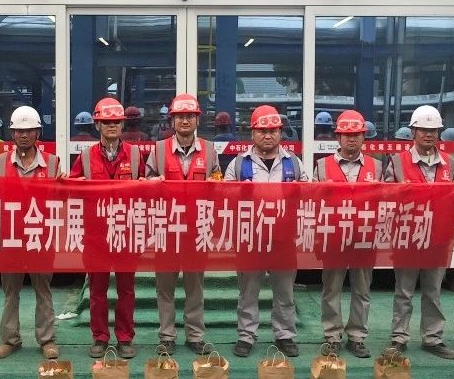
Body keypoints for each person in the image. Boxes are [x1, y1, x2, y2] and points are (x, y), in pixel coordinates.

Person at [383, 105, 454, 359]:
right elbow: (386, 195)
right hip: (407, 237)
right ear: (413, 132)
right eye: (423, 130)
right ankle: (399, 337)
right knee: (404, 291)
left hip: (438, 238)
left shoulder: (450, 163)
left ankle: (433, 338)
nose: (428, 134)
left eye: (433, 130)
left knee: (433, 290)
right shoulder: (398, 162)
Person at [224, 105, 307, 357]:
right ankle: (246, 336)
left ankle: (285, 335)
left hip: (284, 238)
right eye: (262, 131)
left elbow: (307, 195)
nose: (268, 136)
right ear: (252, 133)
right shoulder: (239, 164)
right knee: (248, 292)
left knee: (285, 291)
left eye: (273, 131)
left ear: (281, 133)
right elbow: (224, 199)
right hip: (251, 238)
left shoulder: (294, 162)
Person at [146, 93, 221, 355]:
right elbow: (145, 184)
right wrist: (152, 183)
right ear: (172, 121)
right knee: (164, 287)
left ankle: (195, 335)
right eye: (180, 117)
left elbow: (218, 183)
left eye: (190, 116)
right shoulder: (158, 150)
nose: (185, 121)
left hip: (197, 229)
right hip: (166, 229)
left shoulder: (209, 150)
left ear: (197, 120)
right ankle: (167, 336)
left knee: (195, 286)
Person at [71, 98, 143, 359]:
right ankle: (100, 337)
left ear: (122, 125)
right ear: (97, 125)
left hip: (126, 232)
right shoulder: (85, 157)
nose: (112, 126)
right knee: (97, 290)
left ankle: (125, 338)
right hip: (96, 234)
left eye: (116, 122)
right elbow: (72, 189)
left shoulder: (134, 155)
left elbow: (145, 191)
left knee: (126, 289)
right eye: (106, 122)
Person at [0, 105, 63, 360]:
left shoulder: (52, 163)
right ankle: (10, 339)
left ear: (38, 133)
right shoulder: (1, 163)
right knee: (11, 291)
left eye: (29, 130)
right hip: (10, 236)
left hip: (41, 236)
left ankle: (47, 339)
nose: (24, 135)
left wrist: (63, 187)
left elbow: (61, 198)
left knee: (43, 289)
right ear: (12, 133)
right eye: (19, 131)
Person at [313, 110, 378, 358]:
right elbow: (314, 202)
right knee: (331, 289)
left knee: (362, 289)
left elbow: (386, 199)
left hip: (364, 236)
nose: (351, 139)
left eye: (356, 135)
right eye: (346, 135)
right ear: (338, 137)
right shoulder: (322, 166)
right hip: (333, 236)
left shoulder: (376, 166)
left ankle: (357, 336)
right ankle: (332, 335)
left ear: (363, 137)